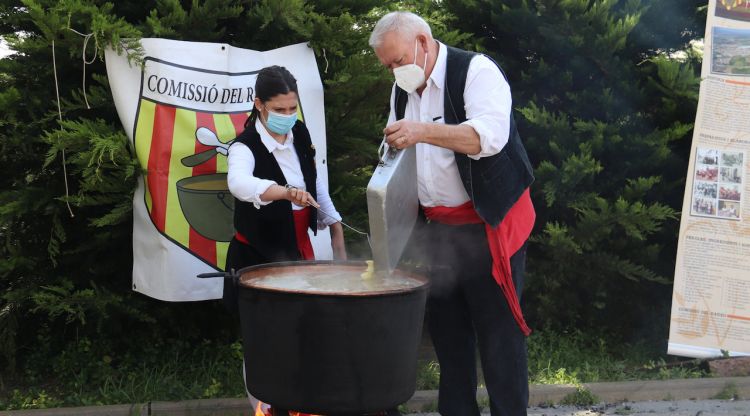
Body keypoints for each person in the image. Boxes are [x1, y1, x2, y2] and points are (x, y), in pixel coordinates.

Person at [369, 11, 536, 416]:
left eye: (398, 61)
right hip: (438, 234)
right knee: (449, 340)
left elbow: (489, 138)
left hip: (488, 224)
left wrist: (423, 130)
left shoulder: (476, 72)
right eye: (387, 66)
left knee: (499, 340)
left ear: (423, 42)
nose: (395, 72)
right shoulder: (401, 92)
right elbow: (398, 155)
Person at [225, 65, 347, 416]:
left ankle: (300, 401)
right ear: (259, 104)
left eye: (293, 108)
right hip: (258, 254)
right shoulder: (244, 146)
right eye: (280, 110)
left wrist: (334, 223)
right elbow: (239, 184)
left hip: (297, 249)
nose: (288, 116)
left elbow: (315, 182)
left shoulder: (300, 133)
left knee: (306, 330)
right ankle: (263, 407)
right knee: (264, 339)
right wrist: (283, 192)